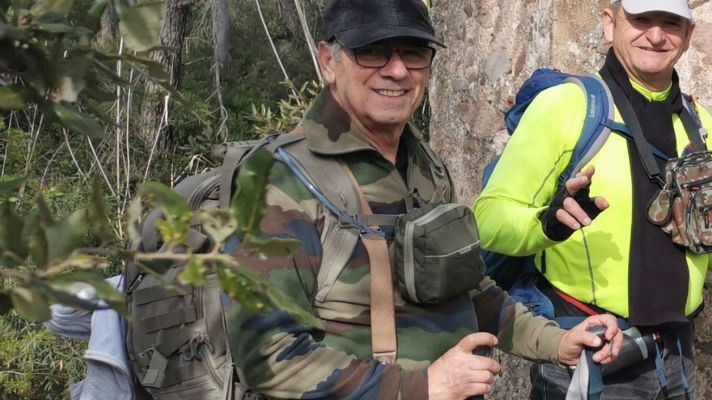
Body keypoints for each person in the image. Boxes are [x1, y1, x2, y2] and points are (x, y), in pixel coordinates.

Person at [223, 0, 627, 398]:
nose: (397, 70)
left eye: (414, 52)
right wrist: (422, 387)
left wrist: (555, 341)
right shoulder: (281, 179)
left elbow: (467, 289)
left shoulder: (423, 166)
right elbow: (266, 353)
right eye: (373, 51)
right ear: (328, 60)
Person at [474, 0, 712, 398]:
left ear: (688, 35)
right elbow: (488, 220)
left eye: (670, 22)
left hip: (674, 358)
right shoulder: (567, 108)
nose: (655, 34)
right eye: (640, 19)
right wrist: (545, 226)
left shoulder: (698, 124)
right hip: (590, 350)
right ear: (609, 23)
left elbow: (699, 247)